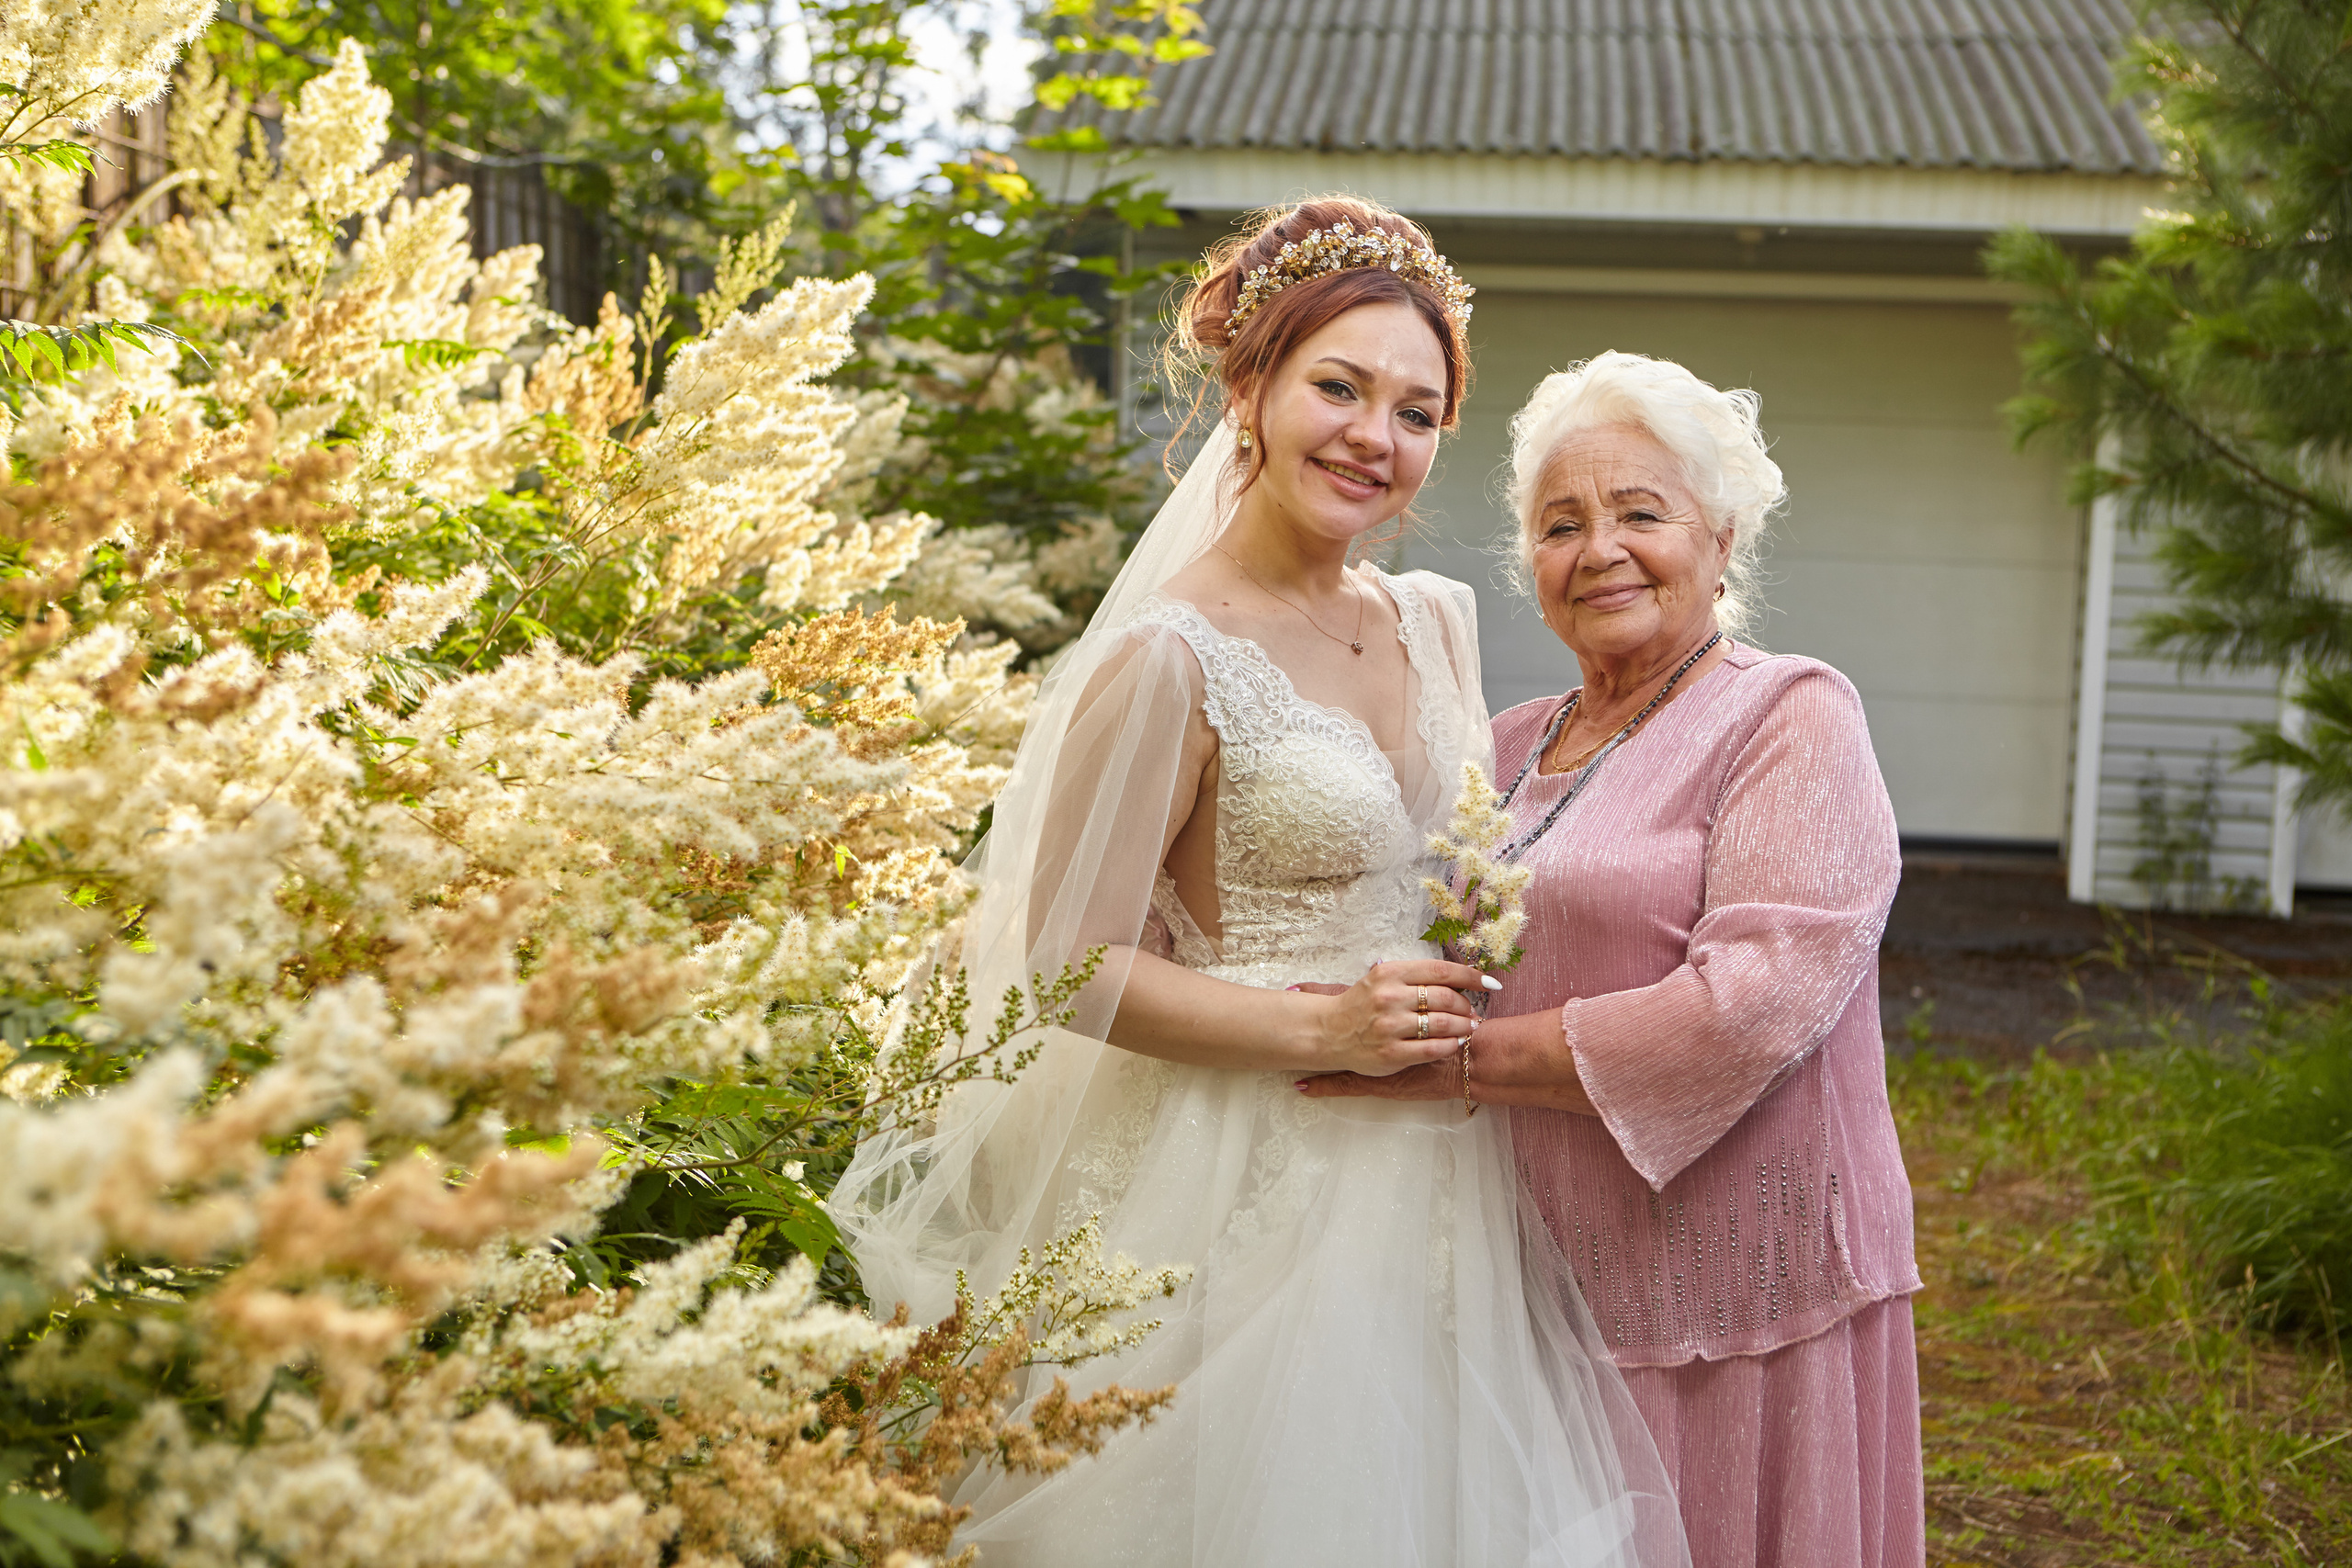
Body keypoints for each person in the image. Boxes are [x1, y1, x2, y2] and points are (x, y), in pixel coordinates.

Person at [832, 204, 1688, 1566]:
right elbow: (1064, 963)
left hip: (1434, 1167)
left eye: (1416, 411)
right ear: (1251, 391)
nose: (1373, 436)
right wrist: (1324, 1029)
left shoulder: (1437, 620)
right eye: (1337, 388)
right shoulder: (1167, 658)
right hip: (1224, 1163)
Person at [1306, 351, 1925, 1568]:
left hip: (1736, 1294)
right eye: (1560, 523)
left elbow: (1751, 1005)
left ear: (1724, 536)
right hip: (1537, 1273)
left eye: (1643, 513)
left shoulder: (1789, 713)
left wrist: (1457, 1066)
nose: (1601, 550)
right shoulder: (1510, 742)